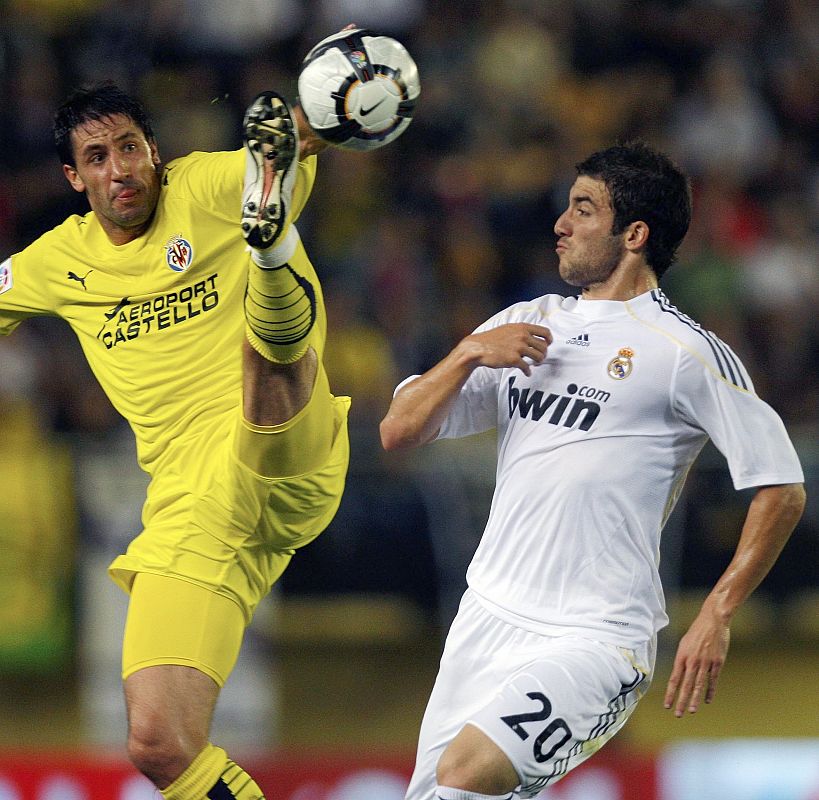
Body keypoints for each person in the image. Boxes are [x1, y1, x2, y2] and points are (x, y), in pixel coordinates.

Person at [380, 141, 806, 800]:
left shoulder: (684, 351)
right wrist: (467, 353)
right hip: (485, 617)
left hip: (595, 637)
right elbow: (398, 429)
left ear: (634, 234)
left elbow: (781, 486)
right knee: (442, 793)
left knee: (465, 775)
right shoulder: (527, 323)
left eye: (583, 209)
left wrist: (716, 612)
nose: (561, 224)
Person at [0, 61, 347, 799]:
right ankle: (270, 248)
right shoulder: (57, 261)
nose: (120, 170)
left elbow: (292, 137)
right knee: (159, 741)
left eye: (130, 147)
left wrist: (321, 110)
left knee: (265, 356)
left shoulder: (204, 186)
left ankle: (270, 249)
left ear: (154, 150)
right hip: (194, 513)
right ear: (73, 178)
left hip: (287, 451)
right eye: (98, 157)